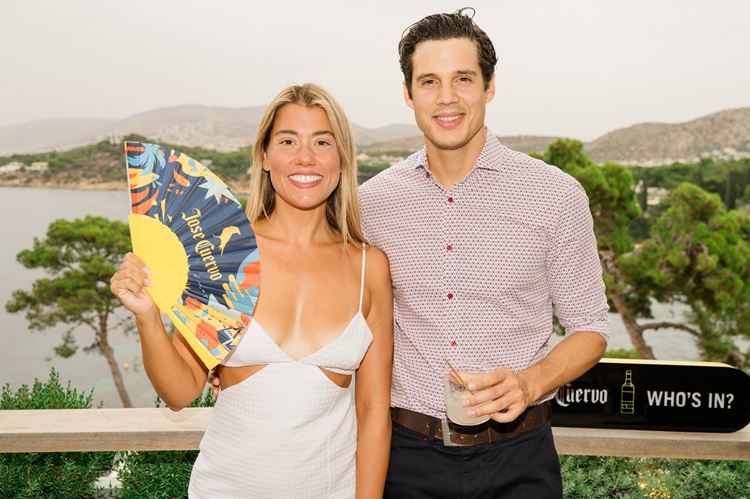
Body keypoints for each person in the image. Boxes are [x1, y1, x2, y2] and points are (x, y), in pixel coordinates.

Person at [356, 8, 610, 498]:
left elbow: (591, 327)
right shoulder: (372, 204)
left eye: (463, 79)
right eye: (429, 81)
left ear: (489, 86)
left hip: (521, 459)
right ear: (408, 94)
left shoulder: (556, 195)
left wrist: (530, 383)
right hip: (405, 459)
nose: (446, 97)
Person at [110, 83, 393, 498]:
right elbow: (179, 392)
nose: (305, 157)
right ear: (264, 156)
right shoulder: (223, 256)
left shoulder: (370, 268)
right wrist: (148, 317)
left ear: (342, 158)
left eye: (322, 142)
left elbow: (373, 411)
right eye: (288, 141)